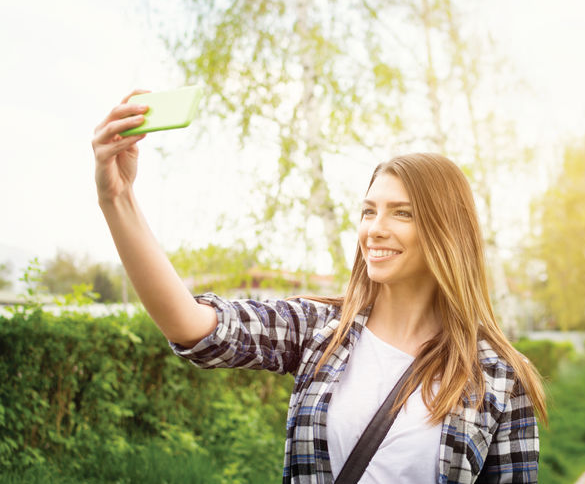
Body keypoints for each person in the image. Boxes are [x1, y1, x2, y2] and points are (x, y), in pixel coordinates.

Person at [92, 90, 547, 483]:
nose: (375, 229)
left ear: (446, 232)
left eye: (401, 213)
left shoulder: (499, 377)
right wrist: (118, 199)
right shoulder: (319, 330)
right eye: (369, 211)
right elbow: (193, 325)